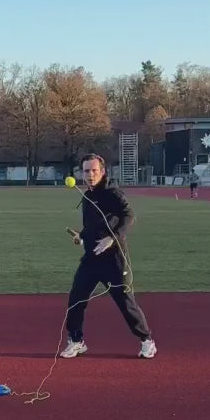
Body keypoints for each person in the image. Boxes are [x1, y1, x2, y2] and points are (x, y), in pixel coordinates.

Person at [61, 154, 156, 359]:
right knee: (76, 298)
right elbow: (92, 226)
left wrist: (112, 238)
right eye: (86, 171)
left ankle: (147, 340)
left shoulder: (112, 192)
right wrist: (81, 236)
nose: (90, 175)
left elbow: (129, 215)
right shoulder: (87, 196)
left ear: (102, 172)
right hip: (91, 258)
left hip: (114, 259)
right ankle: (76, 341)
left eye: (94, 170)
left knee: (125, 301)